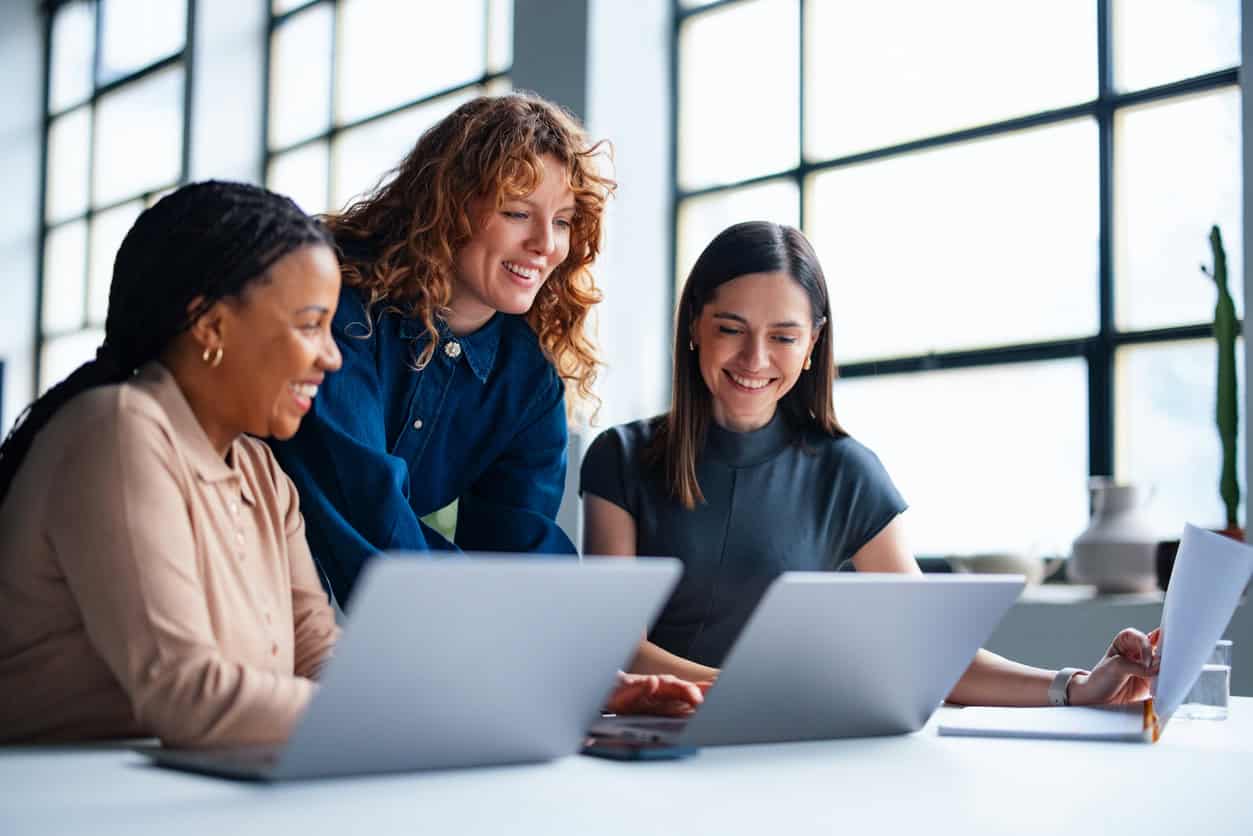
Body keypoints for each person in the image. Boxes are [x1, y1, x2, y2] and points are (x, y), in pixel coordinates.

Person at [0, 181, 698, 747]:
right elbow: (190, 694)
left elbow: (321, 659)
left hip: (185, 785)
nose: (333, 356)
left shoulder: (259, 471)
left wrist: (540, 689)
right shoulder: (118, 429)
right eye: (310, 326)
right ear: (210, 326)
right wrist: (469, 716)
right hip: (68, 793)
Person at [581, 220, 1160, 707]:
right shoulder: (620, 458)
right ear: (693, 327)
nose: (755, 359)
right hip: (654, 742)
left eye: (783, 337)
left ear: (812, 346)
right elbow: (615, 645)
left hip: (789, 748)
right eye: (731, 329)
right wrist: (762, 691)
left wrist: (1076, 687)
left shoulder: (846, 472)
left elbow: (928, 650)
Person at [270, 92, 614, 607]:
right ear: (448, 205)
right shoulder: (342, 311)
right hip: (230, 582)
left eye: (563, 221)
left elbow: (520, 552)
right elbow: (367, 515)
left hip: (340, 622)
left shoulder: (528, 380)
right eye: (518, 212)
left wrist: (582, 652)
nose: (546, 244)